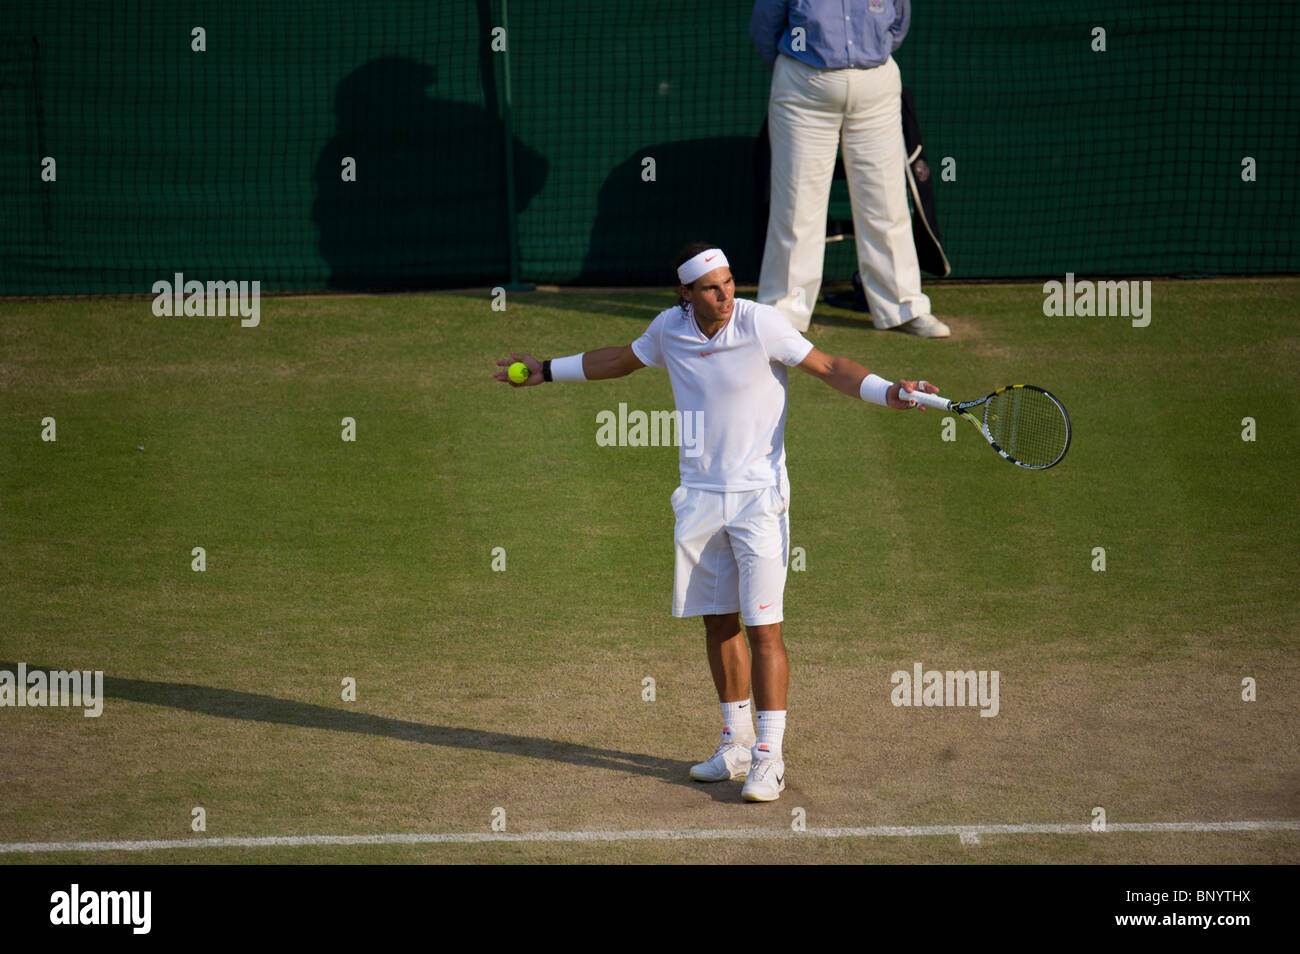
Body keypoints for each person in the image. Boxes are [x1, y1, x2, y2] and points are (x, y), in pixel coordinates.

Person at [495, 243, 937, 801]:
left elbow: (830, 367)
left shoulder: (761, 324)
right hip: (700, 500)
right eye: (711, 287)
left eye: (729, 282)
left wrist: (889, 391)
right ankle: (735, 742)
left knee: (763, 629)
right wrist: (547, 372)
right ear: (685, 295)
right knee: (718, 623)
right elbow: (620, 360)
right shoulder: (667, 329)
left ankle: (769, 757)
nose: (725, 294)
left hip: (759, 500)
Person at [750, 0, 950, 337]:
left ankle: (902, 307)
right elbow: (764, 28)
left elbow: (897, 24)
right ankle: (785, 313)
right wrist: (807, 73)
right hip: (803, 88)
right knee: (797, 206)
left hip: (876, 87)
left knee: (887, 201)